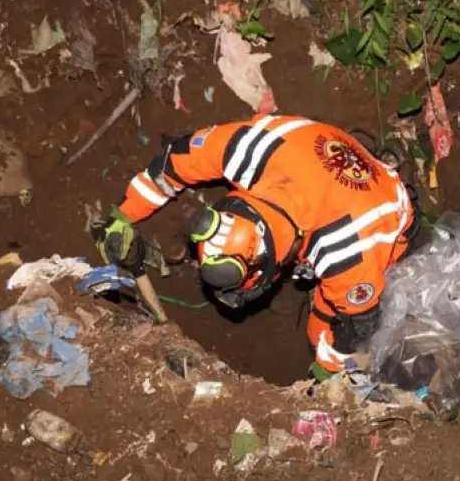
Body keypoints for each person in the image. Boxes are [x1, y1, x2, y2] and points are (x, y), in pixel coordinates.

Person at [91, 113, 418, 380]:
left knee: (325, 317)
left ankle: (385, 167)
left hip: (385, 205)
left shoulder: (346, 253)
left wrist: (330, 369)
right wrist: (124, 213)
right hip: (313, 152)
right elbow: (177, 159)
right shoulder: (251, 151)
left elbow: (358, 324)